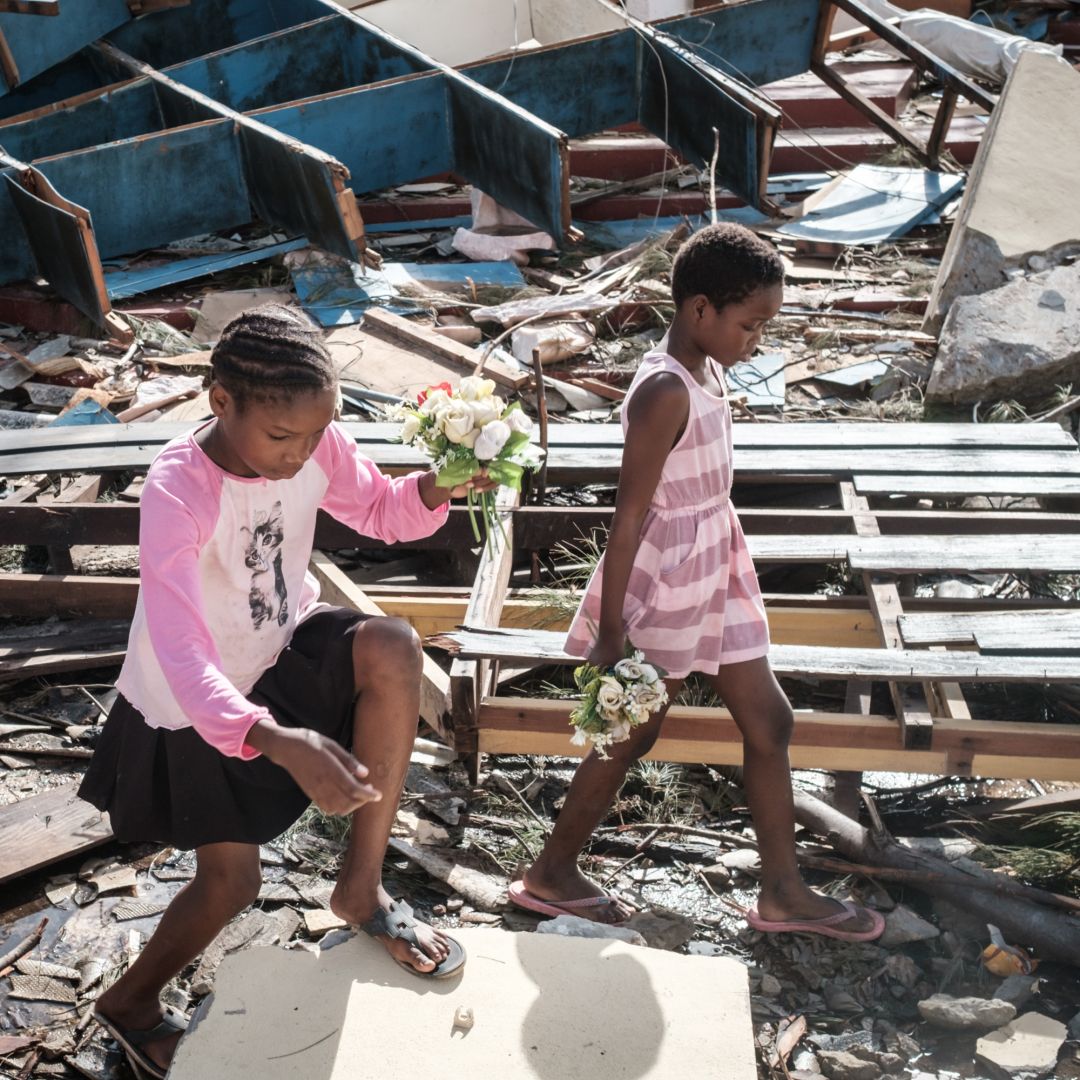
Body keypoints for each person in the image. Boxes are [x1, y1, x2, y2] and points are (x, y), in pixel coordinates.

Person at [79, 304, 495, 1079]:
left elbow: (377, 508)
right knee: (233, 884)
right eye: (282, 439)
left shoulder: (313, 441)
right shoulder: (178, 490)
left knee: (393, 649)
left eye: (315, 436)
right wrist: (271, 735)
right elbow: (180, 650)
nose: (301, 455)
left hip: (279, 646)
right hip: (196, 704)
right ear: (221, 401)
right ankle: (129, 1004)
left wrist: (437, 485)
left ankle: (360, 890)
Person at [510, 224, 884, 944]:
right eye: (751, 325)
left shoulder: (708, 367)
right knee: (631, 732)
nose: (758, 341)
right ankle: (551, 872)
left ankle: (782, 891)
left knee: (770, 720)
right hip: (670, 575)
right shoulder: (662, 391)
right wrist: (612, 631)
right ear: (700, 310)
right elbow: (628, 518)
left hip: (718, 558)